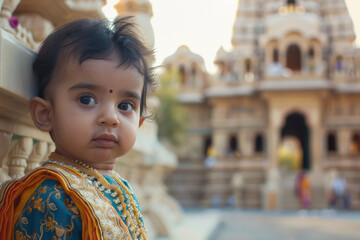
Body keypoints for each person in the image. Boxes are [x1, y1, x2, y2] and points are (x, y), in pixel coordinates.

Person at [0, 17, 156, 240]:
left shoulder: (119, 188)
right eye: (86, 99)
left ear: (139, 124)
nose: (111, 118)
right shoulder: (52, 198)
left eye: (125, 106)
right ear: (45, 114)